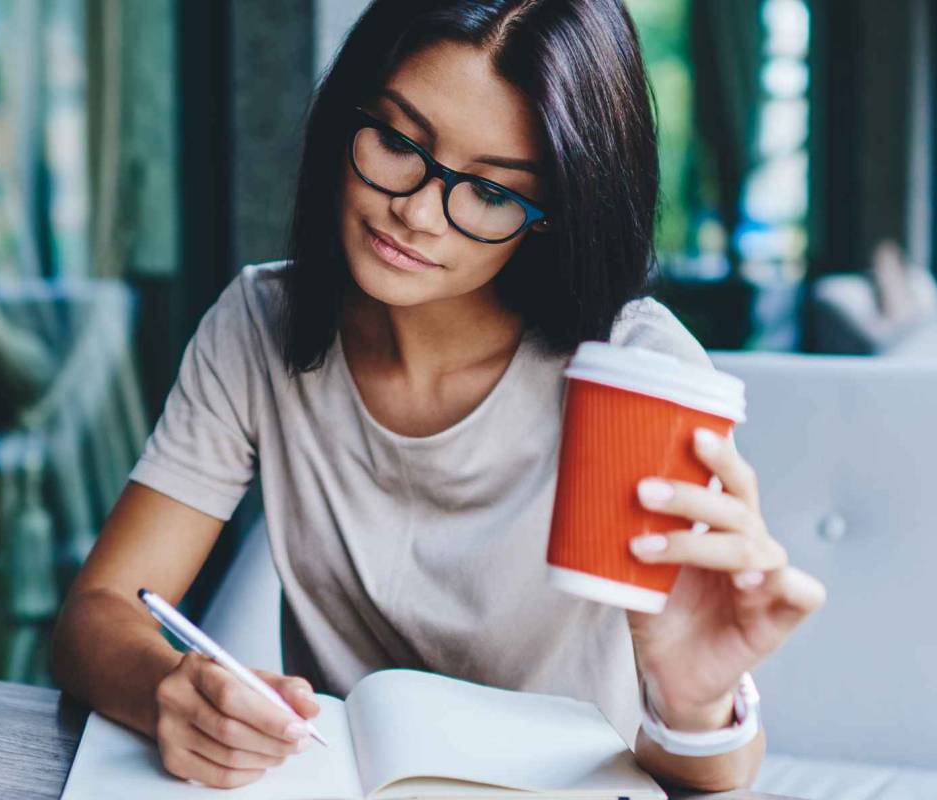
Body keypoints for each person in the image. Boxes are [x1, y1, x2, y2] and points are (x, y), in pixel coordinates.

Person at [52, 0, 825, 792]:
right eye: (394, 141)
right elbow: (98, 611)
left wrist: (694, 704)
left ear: (555, 214)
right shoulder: (260, 326)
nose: (417, 213)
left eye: (491, 194)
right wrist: (170, 692)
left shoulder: (634, 373)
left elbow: (714, 779)